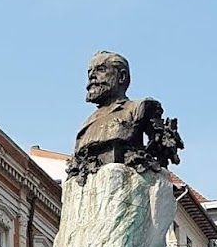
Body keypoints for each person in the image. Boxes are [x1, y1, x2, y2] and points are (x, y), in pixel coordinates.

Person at [66, 51, 183, 183]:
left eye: (101, 70)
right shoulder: (86, 123)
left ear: (121, 76)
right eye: (89, 72)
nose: (92, 76)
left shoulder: (138, 107)